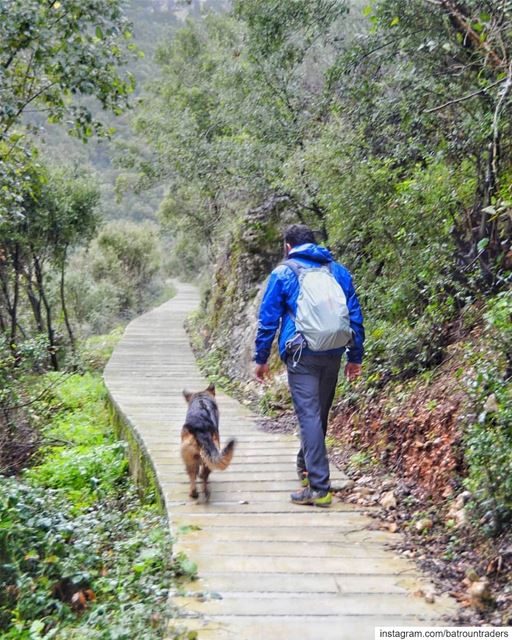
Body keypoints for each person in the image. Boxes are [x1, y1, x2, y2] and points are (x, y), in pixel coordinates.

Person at [253, 224, 365, 507]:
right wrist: (355, 356)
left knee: (309, 416)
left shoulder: (283, 272)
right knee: (319, 413)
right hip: (333, 350)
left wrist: (261, 358)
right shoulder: (338, 271)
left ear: (288, 246)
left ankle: (319, 487)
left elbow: (268, 320)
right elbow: (354, 314)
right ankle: (306, 466)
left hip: (301, 352)